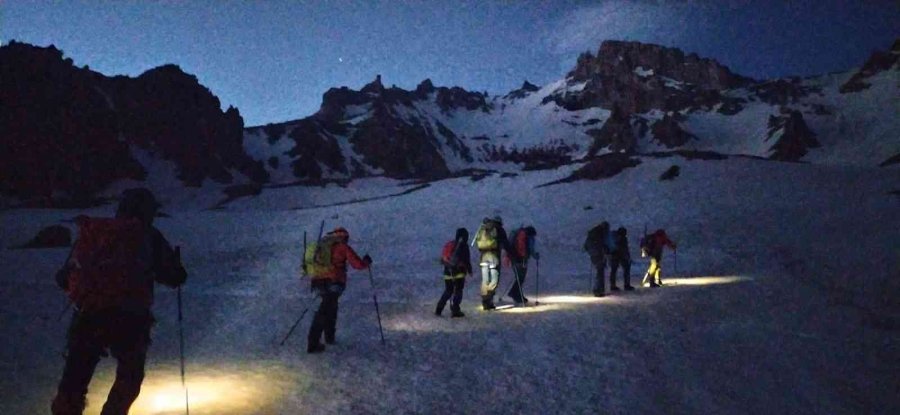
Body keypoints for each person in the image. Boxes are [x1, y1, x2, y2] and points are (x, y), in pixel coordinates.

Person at [51, 188, 187, 415]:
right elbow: (174, 277)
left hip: (88, 315)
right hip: (130, 319)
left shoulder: (94, 233)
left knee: (74, 382)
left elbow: (63, 278)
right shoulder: (148, 235)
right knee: (129, 377)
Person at [306, 227, 371, 353]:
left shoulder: (321, 245)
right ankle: (314, 343)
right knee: (327, 310)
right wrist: (366, 262)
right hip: (334, 281)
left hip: (317, 281)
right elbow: (358, 264)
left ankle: (328, 338)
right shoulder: (342, 247)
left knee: (329, 307)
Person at [473, 216, 516, 310]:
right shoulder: (499, 229)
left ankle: (485, 301)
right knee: (494, 279)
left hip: (483, 256)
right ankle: (489, 300)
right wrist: (512, 254)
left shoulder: (484, 228)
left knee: (485, 279)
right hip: (494, 256)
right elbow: (505, 244)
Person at [436, 228, 472, 317]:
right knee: (458, 290)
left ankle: (439, 309)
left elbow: (444, 257)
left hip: (447, 270)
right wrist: (469, 270)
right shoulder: (464, 246)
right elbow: (466, 260)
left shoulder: (450, 244)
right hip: (459, 271)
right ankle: (455, 309)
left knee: (448, 290)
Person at [507, 225, 539, 304]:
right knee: (521, 278)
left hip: (513, 258)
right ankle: (515, 294)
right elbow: (531, 249)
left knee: (518, 277)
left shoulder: (517, 234)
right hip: (522, 260)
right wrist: (536, 256)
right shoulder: (528, 237)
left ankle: (517, 295)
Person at [583, 221, 611, 297]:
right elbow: (602, 245)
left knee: (599, 271)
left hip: (593, 254)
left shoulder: (592, 233)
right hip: (599, 254)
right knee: (600, 272)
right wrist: (606, 250)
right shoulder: (600, 234)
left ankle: (599, 289)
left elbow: (586, 246)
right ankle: (598, 290)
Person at [609, 227, 634, 291]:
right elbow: (625, 249)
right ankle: (626, 285)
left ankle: (613, 285)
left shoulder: (613, 238)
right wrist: (628, 256)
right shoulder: (622, 239)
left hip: (614, 255)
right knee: (625, 269)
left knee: (614, 271)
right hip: (620, 256)